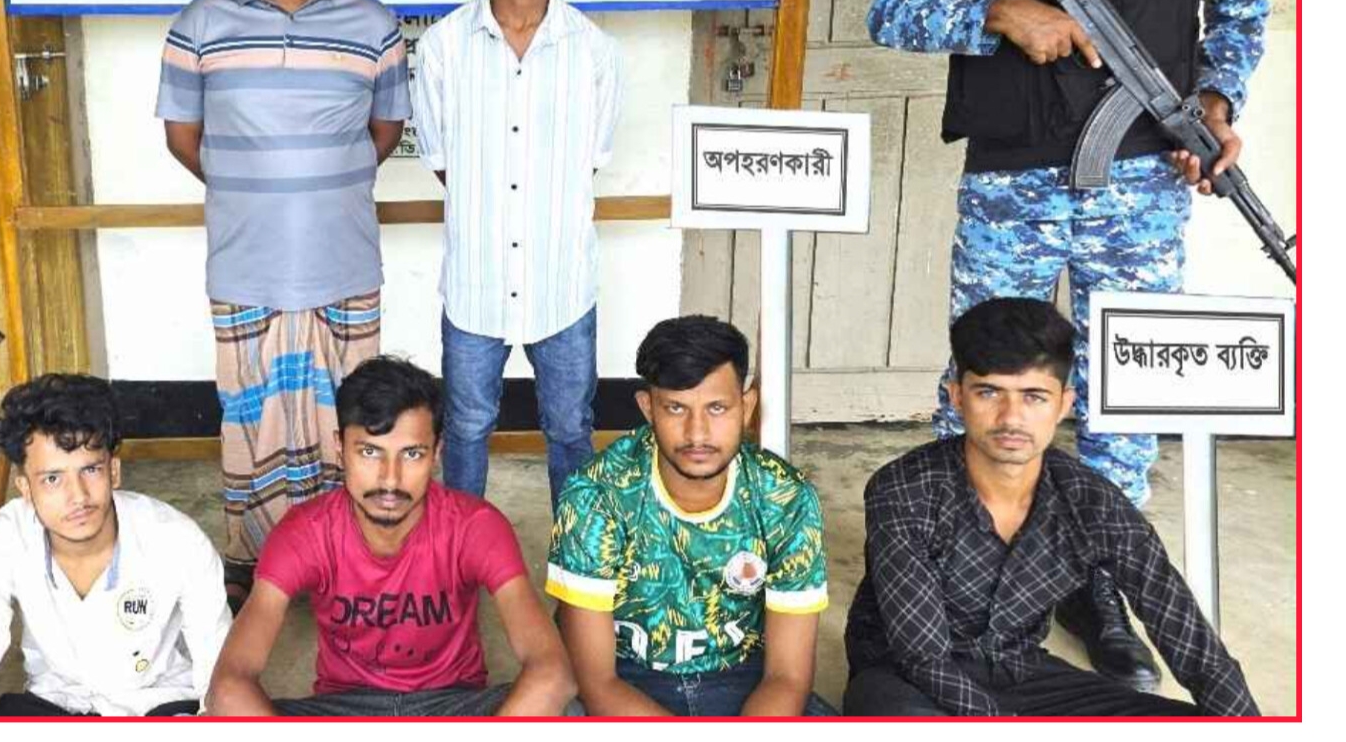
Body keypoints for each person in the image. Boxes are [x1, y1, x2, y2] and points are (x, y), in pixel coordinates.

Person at [865, 0, 1269, 687]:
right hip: (1013, 187)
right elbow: (893, 11)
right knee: (987, 380)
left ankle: (1101, 585)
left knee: (1124, 395)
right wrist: (999, 12)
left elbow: (1240, 20)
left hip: (1142, 187)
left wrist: (1215, 105)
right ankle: (958, 570)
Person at [155, 0, 410, 605]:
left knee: (353, 421)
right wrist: (257, 189)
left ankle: (348, 558)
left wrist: (317, 183)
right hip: (247, 267)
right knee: (252, 425)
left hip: (344, 264)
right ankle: (254, 564)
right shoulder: (200, 24)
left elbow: (385, 130)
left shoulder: (372, 24)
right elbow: (183, 138)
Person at [843, 298, 1258, 717]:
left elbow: (1199, 652)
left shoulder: (1093, 504)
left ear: (1063, 404)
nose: (1011, 418)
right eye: (989, 392)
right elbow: (923, 657)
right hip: (911, 682)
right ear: (957, 398)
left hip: (1023, 674)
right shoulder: (904, 490)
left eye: (1034, 397)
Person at [411, 0, 622, 509]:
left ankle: (575, 559)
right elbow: (444, 163)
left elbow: (588, 162)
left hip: (563, 284)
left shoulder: (594, 53)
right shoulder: (442, 49)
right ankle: (458, 559)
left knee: (570, 429)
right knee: (466, 428)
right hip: (475, 287)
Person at [206, 357, 575, 716]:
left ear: (436, 453)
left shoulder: (475, 526)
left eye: (411, 454)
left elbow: (553, 674)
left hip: (453, 705)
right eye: (369, 452)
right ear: (340, 449)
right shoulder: (304, 532)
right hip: (345, 708)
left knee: (569, 711)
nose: (390, 478)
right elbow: (227, 686)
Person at [547, 316, 832, 716]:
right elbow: (598, 683)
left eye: (717, 408)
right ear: (648, 408)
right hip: (629, 680)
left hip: (745, 677)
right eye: (676, 408)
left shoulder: (785, 498)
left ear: (747, 406)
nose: (697, 433)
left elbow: (786, 676)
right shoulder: (596, 495)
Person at [0, 374, 232, 717]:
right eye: (52, 479)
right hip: (55, 703)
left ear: (113, 471)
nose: (78, 496)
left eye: (90, 470)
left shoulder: (178, 541)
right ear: (25, 488)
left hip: (156, 702)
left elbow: (221, 680)